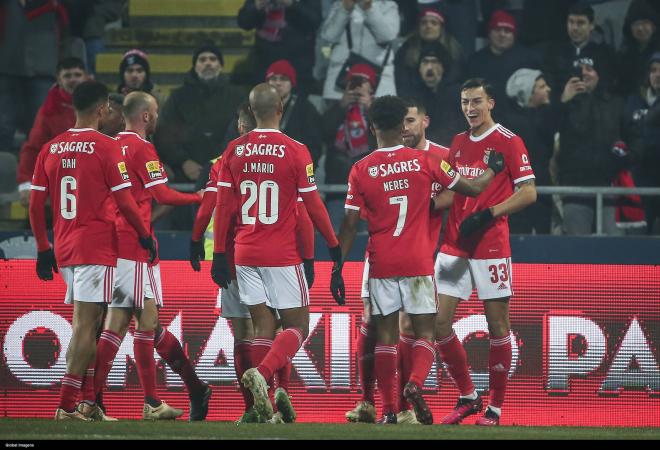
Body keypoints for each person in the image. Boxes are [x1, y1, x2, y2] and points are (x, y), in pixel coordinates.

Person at [336, 95, 504, 424]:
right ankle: (409, 386)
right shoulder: (425, 162)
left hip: (380, 260)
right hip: (417, 259)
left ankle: (389, 410)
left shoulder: (360, 168)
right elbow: (470, 188)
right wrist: (491, 171)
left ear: (372, 128)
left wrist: (336, 266)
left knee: (385, 334)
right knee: (424, 332)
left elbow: (348, 224)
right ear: (402, 125)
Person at [211, 83, 343, 422]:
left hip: (244, 253)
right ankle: (264, 375)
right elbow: (312, 206)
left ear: (252, 112)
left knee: (262, 328)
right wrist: (333, 244)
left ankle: (259, 409)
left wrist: (219, 254)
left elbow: (223, 206)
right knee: (298, 325)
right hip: (282, 254)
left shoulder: (234, 151)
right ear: (280, 108)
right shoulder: (296, 150)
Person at [28, 80, 156, 420]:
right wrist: (145, 235)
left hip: (65, 246)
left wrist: (43, 248)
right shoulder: (105, 147)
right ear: (101, 109)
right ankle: (67, 405)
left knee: (90, 323)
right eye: (108, 108)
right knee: (86, 326)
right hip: (95, 247)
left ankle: (88, 402)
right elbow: (125, 202)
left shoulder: (50, 148)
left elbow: (34, 203)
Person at [86, 92, 211, 422]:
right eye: (154, 112)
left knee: (129, 325)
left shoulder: (108, 146)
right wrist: (196, 198)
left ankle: (96, 401)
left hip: (111, 244)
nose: (156, 118)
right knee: (141, 323)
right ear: (144, 116)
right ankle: (147, 402)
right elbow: (161, 194)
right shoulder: (143, 148)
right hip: (133, 244)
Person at [190, 102, 315, 424]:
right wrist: (310, 253)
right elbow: (303, 213)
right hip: (274, 253)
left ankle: (252, 407)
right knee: (279, 326)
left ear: (241, 126)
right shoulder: (290, 152)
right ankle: (279, 392)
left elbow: (209, 209)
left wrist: (198, 243)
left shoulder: (225, 159)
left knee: (245, 333)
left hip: (233, 259)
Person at [344, 97, 455, 425]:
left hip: (415, 251)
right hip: (386, 252)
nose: (405, 128)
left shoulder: (439, 156)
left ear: (424, 122)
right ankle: (370, 402)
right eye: (402, 122)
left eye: (411, 121)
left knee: (402, 327)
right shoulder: (397, 162)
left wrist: (426, 204)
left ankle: (398, 408)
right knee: (372, 322)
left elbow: (454, 194)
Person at [435, 78, 537, 427]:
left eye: (476, 101)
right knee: (438, 323)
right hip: (455, 246)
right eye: (464, 102)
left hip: (491, 246)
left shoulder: (509, 141)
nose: (470, 109)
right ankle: (468, 396)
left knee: (497, 326)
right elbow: (451, 191)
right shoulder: (459, 143)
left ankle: (494, 409)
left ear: (491, 102)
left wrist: (488, 213)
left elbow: (529, 193)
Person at [154, 41, 246, 183]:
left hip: (229, 172)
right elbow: (164, 133)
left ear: (221, 65)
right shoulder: (178, 97)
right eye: (202, 60)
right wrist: (183, 161)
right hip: (186, 174)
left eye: (213, 59)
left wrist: (225, 162)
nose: (208, 63)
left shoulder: (238, 96)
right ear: (195, 66)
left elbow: (245, 134)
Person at [554, 57, 626, 235]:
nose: (584, 73)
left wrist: (627, 156)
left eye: (589, 69)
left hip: (610, 185)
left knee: (615, 247)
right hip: (575, 186)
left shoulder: (616, 104)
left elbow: (630, 136)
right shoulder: (565, 102)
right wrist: (563, 101)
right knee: (576, 250)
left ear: (599, 74)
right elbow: (548, 130)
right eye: (580, 70)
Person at [16, 57, 89, 207]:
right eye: (67, 76)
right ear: (59, 80)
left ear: (86, 77)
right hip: (58, 183)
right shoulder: (48, 111)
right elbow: (33, 149)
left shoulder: (101, 105)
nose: (73, 80)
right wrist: (25, 184)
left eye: (77, 75)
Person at [321, 63, 377, 228]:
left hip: (370, 190)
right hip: (338, 187)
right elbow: (323, 133)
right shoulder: (335, 109)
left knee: (368, 239)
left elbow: (383, 140)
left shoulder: (379, 112)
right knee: (337, 239)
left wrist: (370, 110)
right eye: (353, 82)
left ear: (371, 88)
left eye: (362, 82)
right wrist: (341, 107)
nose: (357, 87)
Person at [504, 69, 557, 234]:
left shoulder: (545, 116)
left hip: (541, 194)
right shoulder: (516, 123)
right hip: (521, 195)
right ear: (528, 93)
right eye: (542, 86)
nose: (548, 89)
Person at [464, 10, 540, 117]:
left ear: (514, 35)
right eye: (497, 29)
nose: (502, 34)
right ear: (489, 33)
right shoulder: (475, 61)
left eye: (507, 31)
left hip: (520, 119)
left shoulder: (529, 60)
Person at [320, 0, 400, 101]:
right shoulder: (340, 4)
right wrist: (344, 9)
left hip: (380, 83)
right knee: (335, 116)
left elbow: (387, 36)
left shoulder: (388, 5)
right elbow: (329, 36)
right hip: (339, 82)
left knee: (380, 115)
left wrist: (369, 9)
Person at [238, 0, 322, 94]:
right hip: (265, 63)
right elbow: (243, 22)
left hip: (298, 65)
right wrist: (256, 6)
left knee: (296, 104)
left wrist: (290, 4)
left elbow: (314, 21)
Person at [542, 2, 617, 100]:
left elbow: (611, 90)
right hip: (563, 109)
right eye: (571, 22)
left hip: (594, 109)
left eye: (580, 23)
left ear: (591, 25)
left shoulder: (605, 54)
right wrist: (563, 98)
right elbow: (548, 88)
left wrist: (596, 87)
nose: (574, 28)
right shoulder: (553, 53)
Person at [398, 42, 463, 146]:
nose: (429, 67)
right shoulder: (412, 96)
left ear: (443, 67)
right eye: (425, 62)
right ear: (419, 68)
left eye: (434, 62)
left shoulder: (457, 94)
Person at [623, 51, 660, 234]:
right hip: (638, 180)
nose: (657, 74)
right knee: (638, 240)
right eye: (653, 70)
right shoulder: (633, 101)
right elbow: (625, 132)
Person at [394, 7, 464, 94]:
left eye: (434, 23)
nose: (428, 26)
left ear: (441, 28)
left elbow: (456, 79)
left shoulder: (453, 50)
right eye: (424, 23)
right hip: (415, 98)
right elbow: (402, 82)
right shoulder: (406, 49)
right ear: (418, 27)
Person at [618, 0, 660, 96]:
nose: (640, 28)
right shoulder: (624, 56)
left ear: (654, 26)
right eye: (635, 24)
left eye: (645, 23)